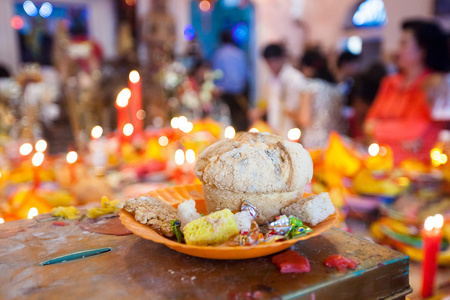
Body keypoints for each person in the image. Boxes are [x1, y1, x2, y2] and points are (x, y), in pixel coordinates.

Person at [365, 19, 450, 164]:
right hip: (382, 163)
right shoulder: (390, 83)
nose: (398, 51)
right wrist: (402, 138)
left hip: (421, 167)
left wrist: (378, 130)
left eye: (404, 44)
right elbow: (368, 124)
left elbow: (415, 130)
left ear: (422, 50)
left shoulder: (433, 84)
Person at [251, 43, 305, 138]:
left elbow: (300, 107)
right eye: (268, 62)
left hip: (291, 128)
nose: (272, 65)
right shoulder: (270, 78)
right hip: (273, 126)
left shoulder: (295, 78)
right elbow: (272, 102)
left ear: (282, 58)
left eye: (274, 61)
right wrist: (260, 111)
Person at [296, 49, 343, 149]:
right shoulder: (335, 88)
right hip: (334, 142)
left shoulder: (309, 87)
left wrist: (292, 114)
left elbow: (305, 119)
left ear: (306, 67)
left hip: (313, 142)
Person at [212, 31, 249, 131]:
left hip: (226, 93)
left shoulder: (219, 53)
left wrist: (217, 87)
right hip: (240, 93)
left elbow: (217, 74)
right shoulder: (240, 53)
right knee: (240, 121)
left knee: (227, 121)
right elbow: (246, 74)